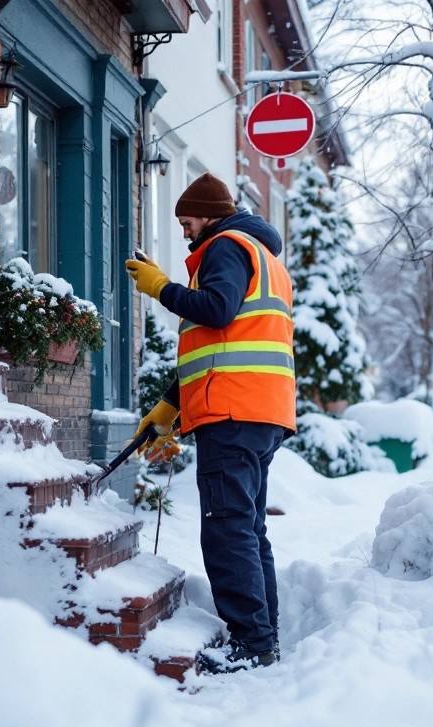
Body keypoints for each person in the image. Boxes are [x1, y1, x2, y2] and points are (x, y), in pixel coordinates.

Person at [125, 172, 296, 674]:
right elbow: (221, 344)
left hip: (233, 411)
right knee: (247, 529)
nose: (184, 232)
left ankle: (252, 644)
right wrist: (170, 406)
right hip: (260, 412)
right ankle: (263, 638)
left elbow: (217, 313)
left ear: (210, 214)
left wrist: (161, 288)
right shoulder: (261, 255)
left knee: (227, 530)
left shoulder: (224, 246)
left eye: (187, 220)